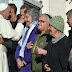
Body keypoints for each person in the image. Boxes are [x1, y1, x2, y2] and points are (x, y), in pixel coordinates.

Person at [0, 3, 24, 72]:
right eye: (8, 12)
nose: (9, 14)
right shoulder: (3, 22)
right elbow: (15, 36)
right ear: (4, 12)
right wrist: (19, 24)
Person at [15, 8, 39, 72]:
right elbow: (20, 45)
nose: (25, 19)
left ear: (34, 18)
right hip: (22, 65)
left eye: (27, 17)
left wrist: (24, 62)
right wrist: (18, 59)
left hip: (29, 66)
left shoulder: (36, 30)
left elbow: (32, 48)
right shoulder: (26, 29)